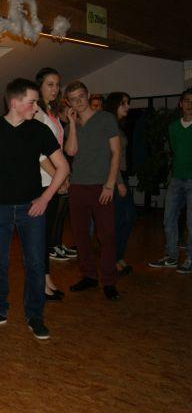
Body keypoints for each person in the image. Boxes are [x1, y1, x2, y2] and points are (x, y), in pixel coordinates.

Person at [0, 78, 69, 340]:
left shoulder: (39, 130)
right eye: (32, 102)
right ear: (15, 102)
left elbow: (63, 167)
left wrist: (45, 198)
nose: (36, 106)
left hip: (32, 209)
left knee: (36, 264)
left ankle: (35, 315)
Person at [64, 81, 123, 300]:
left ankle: (109, 281)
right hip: (77, 186)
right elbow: (71, 151)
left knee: (106, 235)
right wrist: (72, 124)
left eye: (81, 96)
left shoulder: (106, 119)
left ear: (88, 95)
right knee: (81, 235)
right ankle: (89, 276)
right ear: (69, 103)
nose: (78, 101)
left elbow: (116, 152)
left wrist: (110, 184)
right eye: (73, 99)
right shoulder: (71, 126)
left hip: (101, 185)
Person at [34, 68, 70, 301]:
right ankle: (42, 281)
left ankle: (45, 279)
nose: (55, 89)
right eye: (50, 84)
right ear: (39, 86)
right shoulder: (37, 112)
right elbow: (39, 154)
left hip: (53, 179)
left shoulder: (52, 113)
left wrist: (62, 177)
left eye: (57, 84)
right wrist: (59, 177)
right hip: (43, 181)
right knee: (42, 237)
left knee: (47, 236)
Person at [148, 88, 192, 273]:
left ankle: (190, 259)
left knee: (191, 222)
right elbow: (174, 150)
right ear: (180, 104)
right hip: (176, 178)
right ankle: (171, 256)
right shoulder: (173, 127)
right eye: (187, 101)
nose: (190, 104)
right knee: (169, 218)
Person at [104, 92, 136, 275]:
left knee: (127, 219)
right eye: (123, 103)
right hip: (114, 178)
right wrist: (119, 182)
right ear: (114, 105)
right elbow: (110, 157)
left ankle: (118, 256)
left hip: (121, 176)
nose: (127, 107)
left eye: (128, 103)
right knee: (119, 220)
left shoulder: (118, 126)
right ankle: (113, 259)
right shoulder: (110, 126)